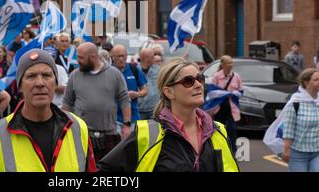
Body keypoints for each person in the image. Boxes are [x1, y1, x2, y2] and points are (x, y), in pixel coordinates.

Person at [97, 57, 239, 172]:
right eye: (188, 81)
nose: (198, 85)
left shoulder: (218, 131)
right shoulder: (148, 134)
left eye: (199, 78)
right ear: (169, 92)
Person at [0, 49, 96, 172]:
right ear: (20, 86)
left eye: (47, 75)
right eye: (31, 76)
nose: (40, 83)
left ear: (55, 83)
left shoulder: (78, 128)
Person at [62, 42, 131, 162]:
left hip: (109, 133)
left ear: (93, 57)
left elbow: (124, 99)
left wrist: (127, 125)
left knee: (109, 171)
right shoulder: (74, 76)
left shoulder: (114, 74)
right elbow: (67, 102)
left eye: (81, 57)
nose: (77, 60)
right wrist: (62, 126)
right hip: (82, 134)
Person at [282, 68, 319, 172]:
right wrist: (286, 150)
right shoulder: (295, 103)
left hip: (317, 152)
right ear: (306, 82)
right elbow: (288, 129)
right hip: (298, 154)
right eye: (316, 80)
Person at [208, 55, 243, 152]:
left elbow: (241, 91)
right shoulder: (216, 76)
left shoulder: (236, 77)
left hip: (232, 108)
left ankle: (232, 151)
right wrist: (224, 93)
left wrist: (236, 93)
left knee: (232, 129)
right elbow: (211, 92)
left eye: (231, 62)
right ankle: (219, 149)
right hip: (219, 108)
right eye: (228, 63)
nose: (230, 65)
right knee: (219, 129)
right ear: (223, 65)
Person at [111, 45, 148, 132]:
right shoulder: (108, 71)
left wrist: (137, 94)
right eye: (118, 56)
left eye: (123, 56)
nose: (121, 59)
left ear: (126, 56)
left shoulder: (134, 69)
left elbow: (145, 90)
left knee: (132, 144)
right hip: (113, 119)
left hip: (133, 117)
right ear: (113, 57)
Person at [137, 47, 160, 120]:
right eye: (152, 57)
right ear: (146, 58)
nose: (154, 58)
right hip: (140, 110)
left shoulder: (158, 69)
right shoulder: (135, 70)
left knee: (155, 130)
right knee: (141, 131)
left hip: (154, 109)